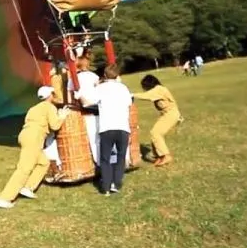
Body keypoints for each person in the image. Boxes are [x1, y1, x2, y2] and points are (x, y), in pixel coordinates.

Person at [0, 86, 71, 209]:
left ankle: (28, 187)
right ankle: (4, 198)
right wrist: (62, 115)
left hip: (25, 135)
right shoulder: (49, 107)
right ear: (50, 95)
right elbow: (55, 125)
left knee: (43, 162)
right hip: (35, 138)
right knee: (24, 169)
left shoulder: (33, 108)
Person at [93, 64, 133, 195]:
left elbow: (89, 101)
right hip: (122, 126)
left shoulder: (100, 88)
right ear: (118, 75)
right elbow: (129, 103)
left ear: (104, 75)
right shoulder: (123, 88)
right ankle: (116, 183)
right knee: (120, 157)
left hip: (107, 126)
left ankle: (106, 186)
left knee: (105, 158)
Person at [132, 74, 181, 166]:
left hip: (171, 114)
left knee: (156, 133)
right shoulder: (158, 89)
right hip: (166, 114)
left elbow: (146, 96)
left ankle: (166, 156)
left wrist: (131, 94)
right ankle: (159, 156)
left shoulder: (158, 89)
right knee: (154, 133)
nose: (145, 88)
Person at [70, 47, 101, 164]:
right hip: (96, 106)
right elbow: (99, 88)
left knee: (93, 138)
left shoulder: (73, 78)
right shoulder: (93, 76)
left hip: (87, 108)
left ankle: (98, 161)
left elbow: (70, 94)